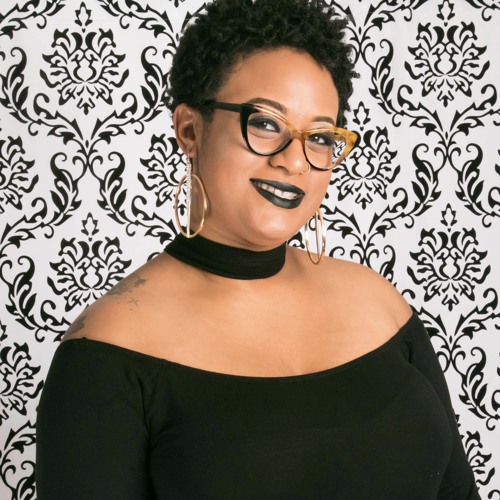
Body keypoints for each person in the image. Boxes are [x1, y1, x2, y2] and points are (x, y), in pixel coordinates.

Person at [36, 0, 481, 498]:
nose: (296, 160)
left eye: (320, 136)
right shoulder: (107, 349)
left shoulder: (380, 302)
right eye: (266, 123)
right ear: (190, 129)